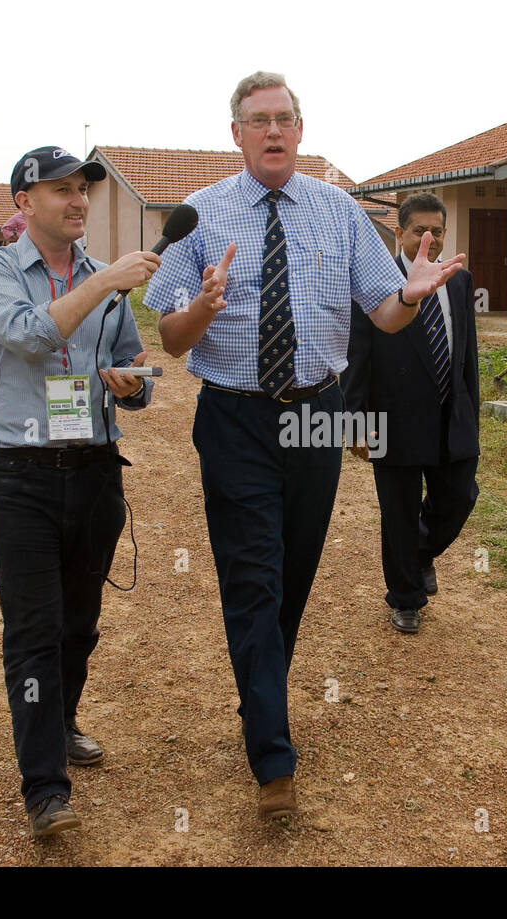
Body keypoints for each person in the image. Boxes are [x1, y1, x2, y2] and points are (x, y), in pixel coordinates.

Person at [144, 71, 463, 821]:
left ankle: (259, 697)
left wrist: (411, 296)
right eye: (259, 120)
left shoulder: (341, 214)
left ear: (300, 129)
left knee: (292, 575)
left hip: (318, 416)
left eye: (285, 118)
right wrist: (201, 307)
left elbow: (382, 315)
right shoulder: (201, 215)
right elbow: (168, 337)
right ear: (237, 134)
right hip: (234, 415)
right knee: (251, 574)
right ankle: (274, 760)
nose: (274, 131)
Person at [0, 145, 162, 838]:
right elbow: (29, 335)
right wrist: (107, 279)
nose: (78, 200)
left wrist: (134, 382)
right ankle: (45, 789)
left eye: (83, 189)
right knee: (32, 633)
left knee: (79, 624)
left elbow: (130, 361)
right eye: (61, 190)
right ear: (24, 202)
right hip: (21, 475)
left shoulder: (100, 279)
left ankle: (64, 718)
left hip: (95, 470)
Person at [344, 192, 479, 634]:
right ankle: (405, 598)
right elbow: (357, 356)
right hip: (393, 420)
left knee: (459, 498)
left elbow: (467, 356)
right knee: (398, 514)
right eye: (420, 230)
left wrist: (471, 412)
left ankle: (419, 554)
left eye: (437, 231)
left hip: (450, 417)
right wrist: (355, 423)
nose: (430, 239)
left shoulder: (458, 281)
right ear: (399, 233)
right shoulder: (375, 284)